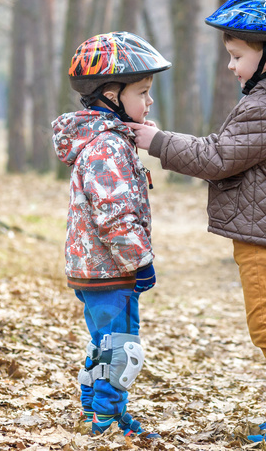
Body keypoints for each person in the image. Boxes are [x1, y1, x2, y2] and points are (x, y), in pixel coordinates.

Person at [133, 0, 266, 448]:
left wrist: (156, 141)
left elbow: (217, 157)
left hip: (265, 239)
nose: (230, 65)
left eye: (237, 55)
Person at [51, 31, 171, 438]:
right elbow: (115, 215)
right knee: (123, 349)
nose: (149, 102)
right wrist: (140, 261)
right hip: (113, 268)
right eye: (142, 92)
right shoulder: (107, 146)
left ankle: (95, 412)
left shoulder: (103, 140)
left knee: (103, 344)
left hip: (95, 267)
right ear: (111, 95)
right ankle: (108, 421)